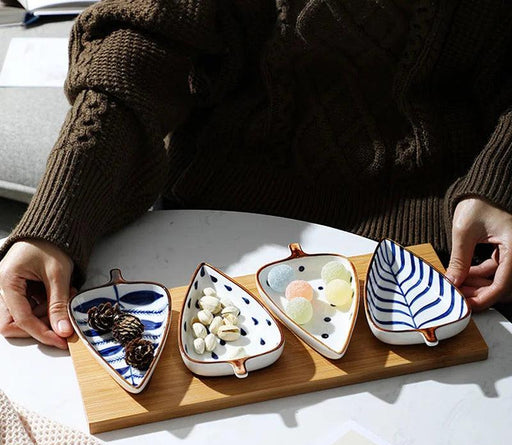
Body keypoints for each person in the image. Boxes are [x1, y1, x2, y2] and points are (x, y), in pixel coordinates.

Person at [0, 0, 511, 349]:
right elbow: (143, 43)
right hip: (216, 210)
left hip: (445, 243)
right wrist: (61, 212)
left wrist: (502, 184)